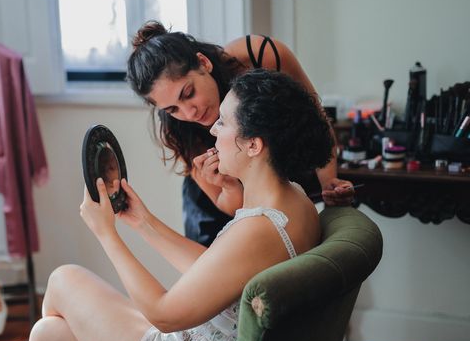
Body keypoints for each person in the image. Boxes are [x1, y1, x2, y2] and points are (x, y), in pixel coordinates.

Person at [27, 69, 334, 341]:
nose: (213, 131)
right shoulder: (293, 199)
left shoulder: (259, 228)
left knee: (63, 280)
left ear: (253, 145)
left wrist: (106, 234)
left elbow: (164, 314)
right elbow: (219, 269)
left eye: (223, 122)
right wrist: (144, 222)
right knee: (45, 340)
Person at [127, 20, 354, 247]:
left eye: (189, 93)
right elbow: (227, 203)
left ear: (203, 62)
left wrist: (329, 181)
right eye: (172, 109)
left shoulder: (260, 56)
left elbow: (314, 119)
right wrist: (228, 185)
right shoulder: (179, 129)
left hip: (280, 178)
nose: (189, 113)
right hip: (217, 205)